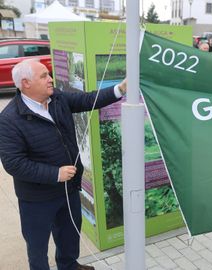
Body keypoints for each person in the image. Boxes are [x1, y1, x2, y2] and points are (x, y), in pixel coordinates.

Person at [0, 59, 127, 270]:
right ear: (26, 83)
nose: (50, 79)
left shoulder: (57, 98)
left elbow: (88, 99)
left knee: (69, 234)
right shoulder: (9, 119)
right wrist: (55, 174)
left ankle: (69, 266)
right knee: (38, 246)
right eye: (43, 76)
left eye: (49, 74)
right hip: (36, 199)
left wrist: (120, 89)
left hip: (68, 189)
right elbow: (14, 163)